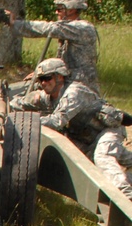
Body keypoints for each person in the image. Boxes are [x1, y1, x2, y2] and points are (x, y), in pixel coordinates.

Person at [9, 57, 132, 195]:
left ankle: (126, 197)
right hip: (85, 138)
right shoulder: (48, 96)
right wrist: (0, 106)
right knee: (87, 163)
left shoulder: (74, 93)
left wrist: (28, 120)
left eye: (47, 78)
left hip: (107, 131)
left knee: (102, 157)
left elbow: (57, 121)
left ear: (60, 77)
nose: (43, 83)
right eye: (40, 79)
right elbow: (20, 103)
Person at [6, 0, 100, 92]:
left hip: (78, 88)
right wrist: (42, 74)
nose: (56, 12)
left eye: (60, 9)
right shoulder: (69, 30)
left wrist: (15, 23)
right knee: (9, 90)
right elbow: (62, 63)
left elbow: (49, 28)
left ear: (71, 9)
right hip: (65, 82)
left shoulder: (81, 28)